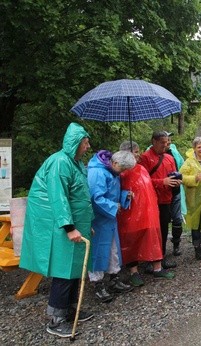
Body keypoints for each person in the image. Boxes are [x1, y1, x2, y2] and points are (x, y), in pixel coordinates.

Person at [19, 123, 94, 338]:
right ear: (75, 143)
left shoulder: (76, 163)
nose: (88, 146)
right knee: (64, 268)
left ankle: (70, 308)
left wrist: (87, 225)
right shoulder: (60, 162)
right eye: (85, 142)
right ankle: (56, 318)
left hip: (77, 223)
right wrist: (69, 227)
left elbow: (81, 196)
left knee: (74, 267)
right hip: (61, 225)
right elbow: (58, 197)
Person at [117, 141, 174, 288]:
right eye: (135, 152)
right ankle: (133, 271)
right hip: (131, 213)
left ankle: (157, 267)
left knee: (153, 236)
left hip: (149, 211)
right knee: (131, 241)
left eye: (138, 151)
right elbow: (116, 192)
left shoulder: (141, 168)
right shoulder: (122, 173)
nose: (138, 154)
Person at [87, 150, 135, 303]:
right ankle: (97, 284)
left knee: (113, 250)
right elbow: (95, 198)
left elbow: (113, 193)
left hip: (109, 219)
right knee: (98, 251)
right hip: (99, 220)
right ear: (114, 163)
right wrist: (114, 206)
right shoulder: (97, 173)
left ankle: (114, 279)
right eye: (123, 169)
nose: (124, 172)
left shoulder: (112, 171)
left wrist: (124, 195)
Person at [140, 131, 182, 269]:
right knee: (150, 230)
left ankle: (161, 257)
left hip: (166, 199)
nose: (166, 145)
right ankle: (148, 260)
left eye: (167, 142)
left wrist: (176, 182)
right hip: (150, 201)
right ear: (154, 141)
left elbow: (173, 175)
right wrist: (161, 182)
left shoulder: (169, 158)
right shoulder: (145, 158)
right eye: (162, 142)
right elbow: (142, 180)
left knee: (163, 229)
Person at [165, 132, 186, 257]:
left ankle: (176, 244)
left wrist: (180, 178)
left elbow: (181, 167)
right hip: (161, 193)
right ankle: (160, 249)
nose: (168, 141)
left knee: (177, 219)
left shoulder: (174, 152)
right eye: (166, 139)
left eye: (169, 139)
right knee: (162, 221)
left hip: (175, 191)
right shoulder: (151, 154)